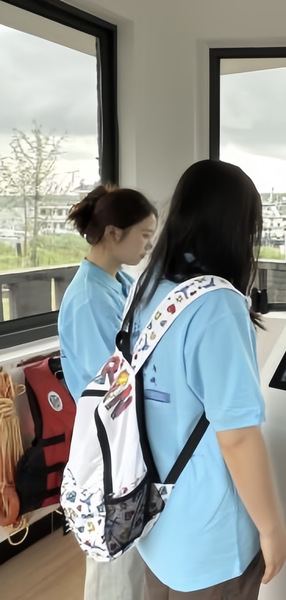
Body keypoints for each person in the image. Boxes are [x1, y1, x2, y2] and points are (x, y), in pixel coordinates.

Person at [124, 159, 286, 599]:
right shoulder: (217, 305)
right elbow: (237, 437)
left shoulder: (147, 290)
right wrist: (271, 528)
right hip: (210, 537)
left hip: (154, 523)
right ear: (238, 228)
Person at [58, 184, 158, 600]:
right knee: (115, 566)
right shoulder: (90, 300)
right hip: (108, 443)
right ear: (114, 233)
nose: (149, 245)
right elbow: (117, 383)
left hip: (122, 439)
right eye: (145, 236)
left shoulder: (117, 282)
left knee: (131, 559)